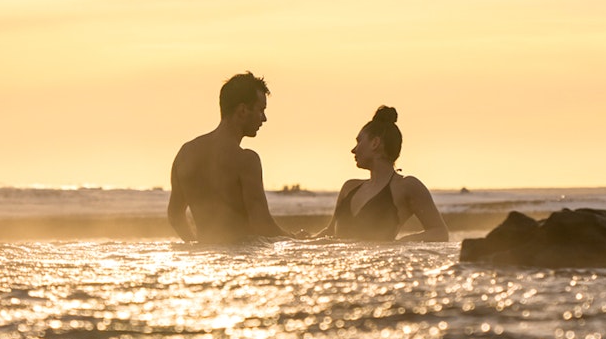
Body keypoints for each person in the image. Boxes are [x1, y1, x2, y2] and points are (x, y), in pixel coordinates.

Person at [167, 72, 292, 243]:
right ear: (242, 110)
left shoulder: (186, 153)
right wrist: (298, 242)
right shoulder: (246, 160)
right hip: (241, 258)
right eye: (260, 110)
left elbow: (175, 215)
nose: (264, 118)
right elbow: (263, 225)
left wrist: (196, 245)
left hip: (205, 261)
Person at [317, 106, 449, 242]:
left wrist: (401, 243)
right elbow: (330, 233)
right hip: (341, 263)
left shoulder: (406, 186)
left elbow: (439, 232)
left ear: (375, 143)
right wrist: (298, 241)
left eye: (359, 141)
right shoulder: (349, 187)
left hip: (383, 262)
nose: (353, 150)